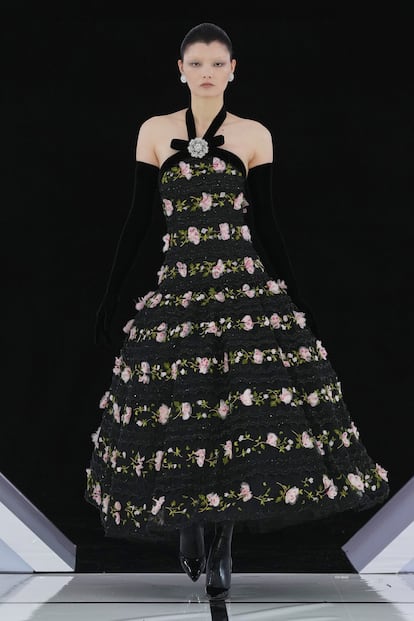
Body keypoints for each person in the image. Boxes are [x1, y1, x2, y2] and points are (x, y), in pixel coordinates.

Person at [85, 22, 390, 600]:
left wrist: (294, 293)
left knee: (238, 414)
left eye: (217, 63)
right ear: (180, 70)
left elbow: (266, 221)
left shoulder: (254, 134)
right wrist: (112, 292)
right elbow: (138, 217)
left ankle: (223, 541)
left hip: (241, 287)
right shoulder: (154, 131)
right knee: (184, 408)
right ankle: (189, 521)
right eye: (197, 63)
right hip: (179, 288)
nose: (207, 72)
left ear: (233, 69)